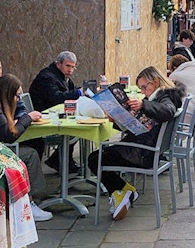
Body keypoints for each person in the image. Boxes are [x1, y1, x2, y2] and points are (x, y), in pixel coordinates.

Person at [88, 66, 184, 221]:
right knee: (102, 156)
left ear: (156, 82)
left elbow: (168, 111)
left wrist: (143, 105)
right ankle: (124, 191)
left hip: (143, 153)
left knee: (94, 158)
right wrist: (118, 119)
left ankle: (122, 191)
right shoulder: (163, 96)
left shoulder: (165, 98)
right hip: (146, 150)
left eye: (145, 87)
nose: (143, 92)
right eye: (141, 88)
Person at [0, 74, 53, 222]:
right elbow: (9, 136)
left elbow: (15, 120)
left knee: (35, 144)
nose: (18, 99)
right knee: (30, 154)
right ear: (9, 94)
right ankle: (29, 202)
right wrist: (28, 118)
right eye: (17, 95)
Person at [29, 51, 82, 173]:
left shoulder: (64, 78)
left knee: (77, 128)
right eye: (68, 66)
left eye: (73, 67)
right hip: (44, 118)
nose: (70, 70)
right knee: (74, 130)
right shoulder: (47, 77)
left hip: (56, 115)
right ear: (58, 64)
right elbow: (56, 98)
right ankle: (59, 161)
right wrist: (79, 92)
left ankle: (61, 160)